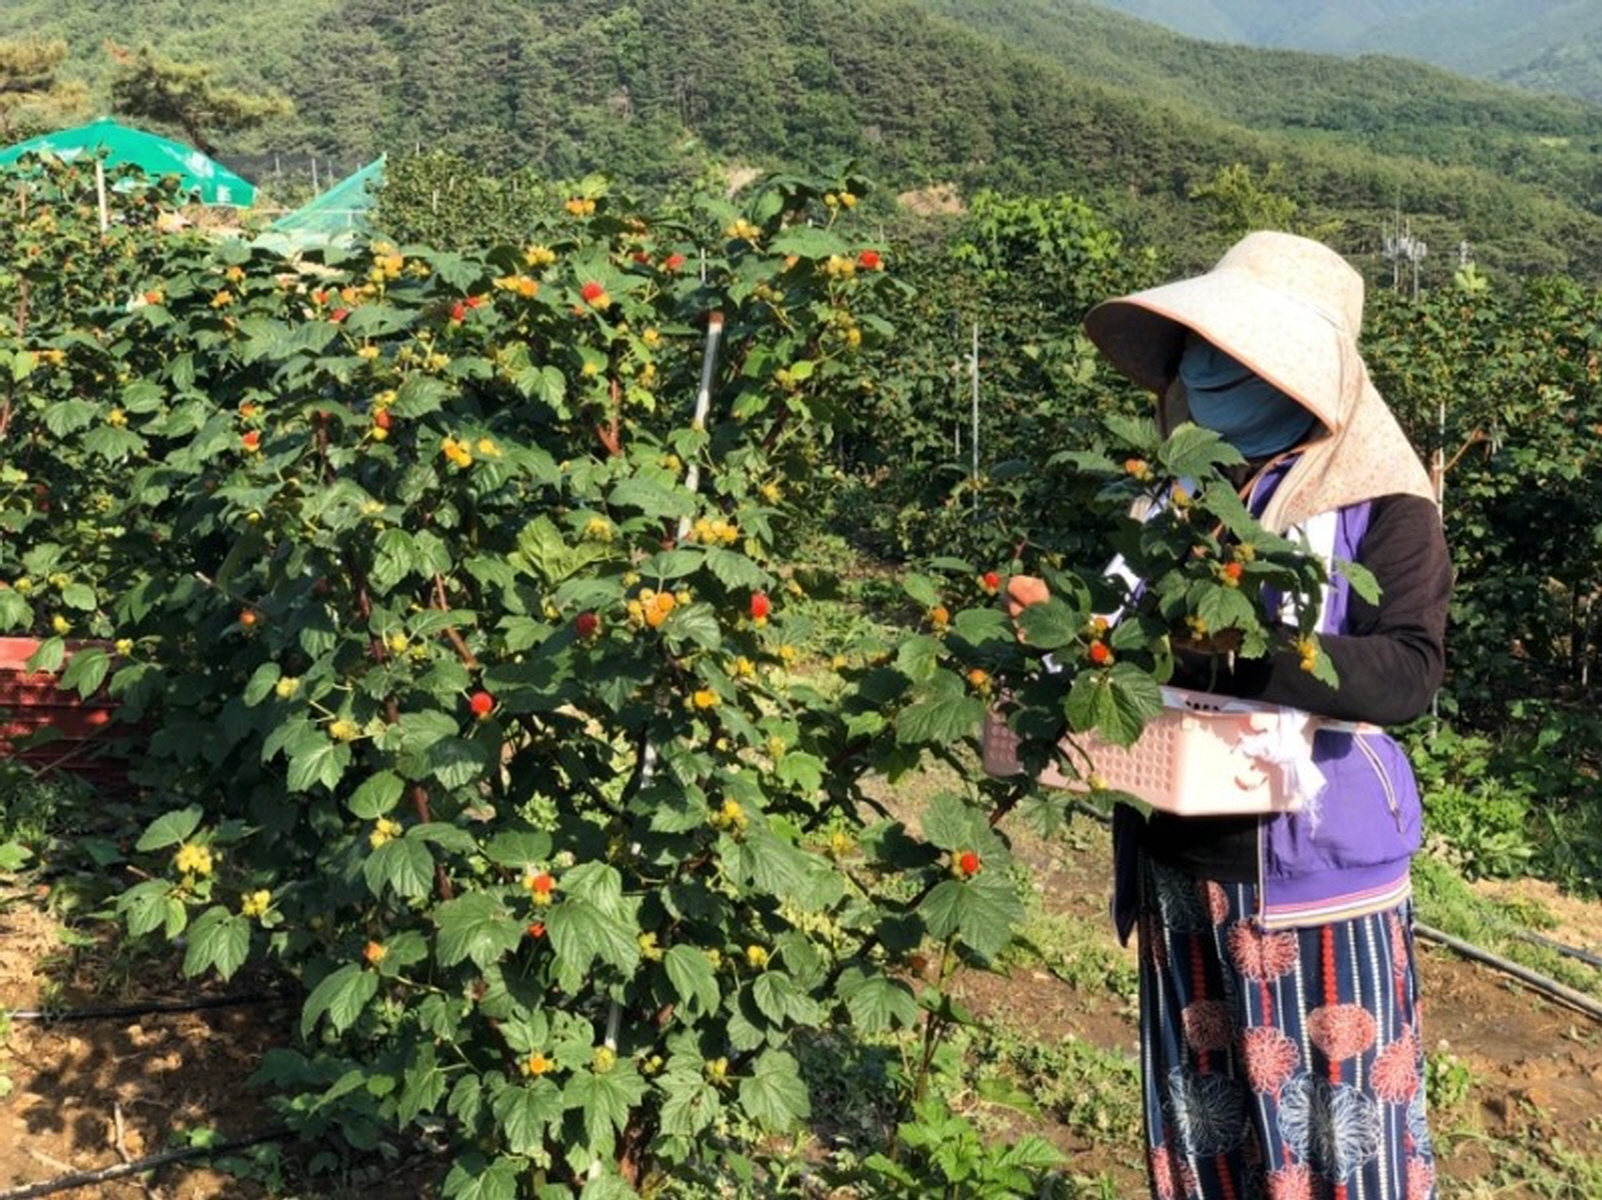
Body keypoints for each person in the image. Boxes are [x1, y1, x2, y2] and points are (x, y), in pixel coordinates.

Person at [1008, 230, 1451, 1200]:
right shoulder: (1174, 502)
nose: (1204, 370)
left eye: (1233, 352)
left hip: (1314, 880)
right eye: (1198, 350)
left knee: (1340, 1144)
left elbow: (1407, 675)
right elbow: (1109, 634)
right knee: (1205, 1132)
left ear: (1298, 378)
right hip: (1178, 865)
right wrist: (1048, 633)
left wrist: (1252, 650)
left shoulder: (1384, 509)